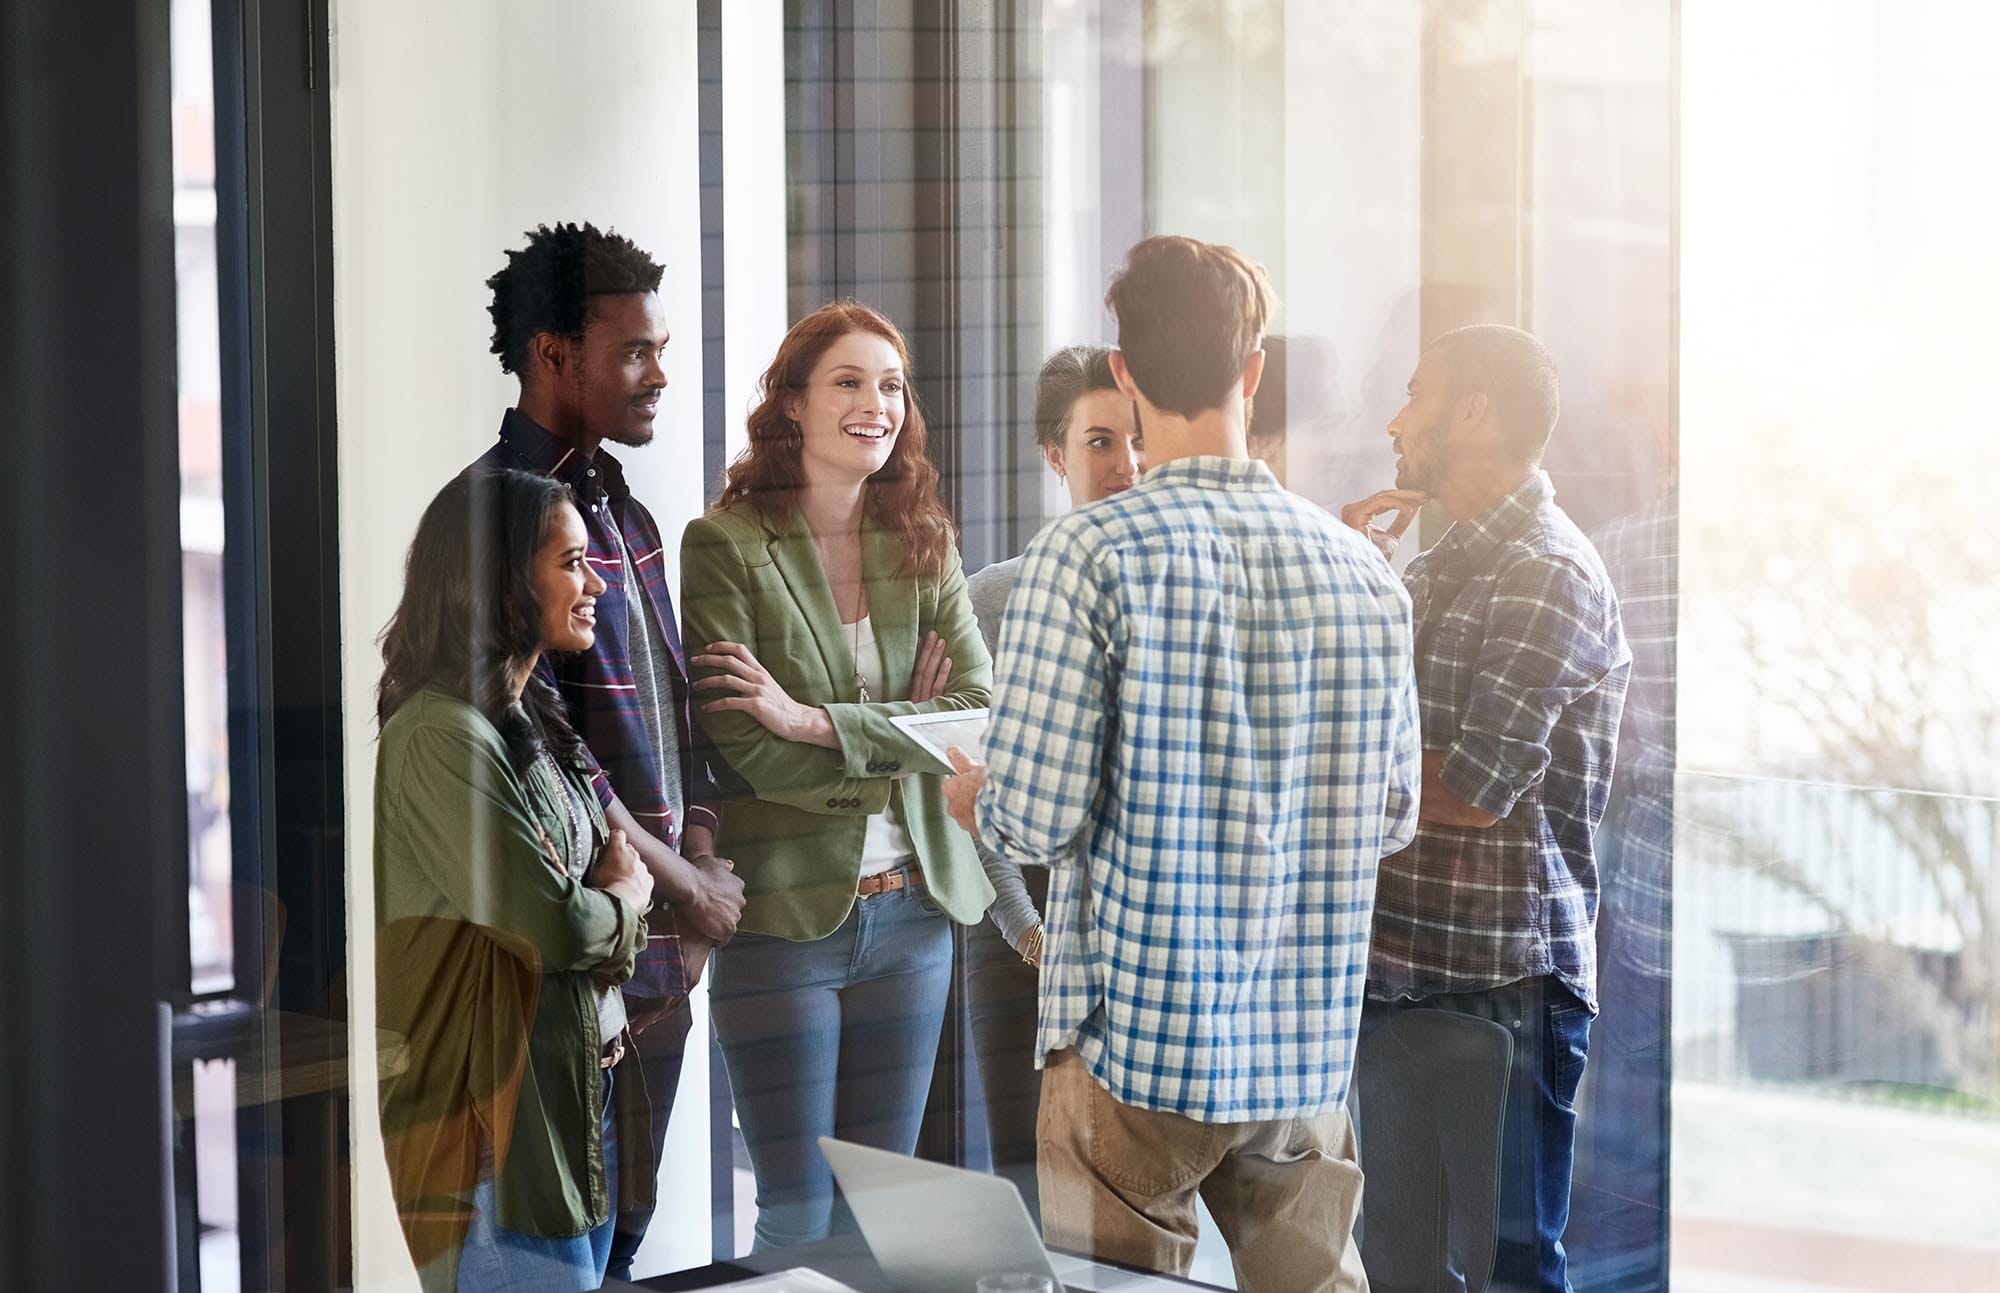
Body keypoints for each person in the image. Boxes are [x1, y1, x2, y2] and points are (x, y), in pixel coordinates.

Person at [945, 235, 1422, 1292]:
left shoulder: (1088, 554)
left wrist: (977, 795)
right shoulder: (1362, 574)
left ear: (1124, 374)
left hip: (1132, 1055)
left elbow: (1034, 818)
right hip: (1300, 1055)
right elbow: (1390, 814)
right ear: (1251, 372)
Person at [679, 300, 996, 1251]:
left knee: (880, 1217)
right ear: (793, 405)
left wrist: (812, 718)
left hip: (914, 918)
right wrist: (901, 742)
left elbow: (976, 713)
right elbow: (745, 747)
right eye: (849, 382)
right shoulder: (726, 544)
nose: (877, 404)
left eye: (891, 385)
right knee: (797, 1211)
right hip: (783, 924)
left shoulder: (922, 538)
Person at [472, 221, 745, 1278]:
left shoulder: (622, 510)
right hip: (578, 956)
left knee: (626, 1231)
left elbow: (667, 716)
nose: (660, 375)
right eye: (635, 351)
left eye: (661, 350)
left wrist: (703, 859)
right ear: (552, 357)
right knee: (568, 1247)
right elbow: (544, 750)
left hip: (664, 941)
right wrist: (687, 884)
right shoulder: (497, 514)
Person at [1341, 324, 1632, 1293]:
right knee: (1396, 1266)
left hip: (1501, 988)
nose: (1394, 420)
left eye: (1414, 396)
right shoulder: (1433, 569)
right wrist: (1351, 579)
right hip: (1397, 975)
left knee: (1505, 1271)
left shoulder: (1546, 572)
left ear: (1472, 413)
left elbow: (1471, 788)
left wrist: (1331, 761)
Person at [373, 469, 656, 1293]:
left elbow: (572, 897)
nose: (596, 580)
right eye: (572, 561)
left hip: (569, 1104)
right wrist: (625, 904)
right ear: (500, 581)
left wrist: (593, 904)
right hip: (494, 1133)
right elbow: (552, 927)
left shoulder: (523, 716)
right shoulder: (439, 734)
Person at [961, 343, 1142, 1220]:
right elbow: (969, 780)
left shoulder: (1176, 584)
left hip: (1139, 942)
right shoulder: (996, 596)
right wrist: (1027, 932)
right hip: (1020, 940)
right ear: (1054, 454)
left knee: (1129, 1206)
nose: (1126, 463)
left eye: (1137, 438)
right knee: (1028, 1196)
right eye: (1100, 441)